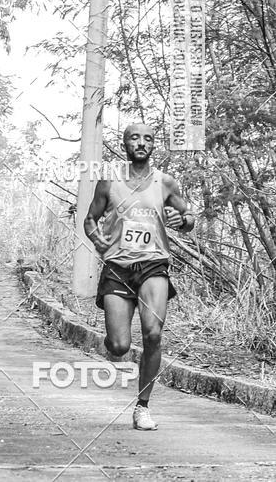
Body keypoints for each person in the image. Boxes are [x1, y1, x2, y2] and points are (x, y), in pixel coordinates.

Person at [83, 123, 195, 431]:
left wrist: (181, 219)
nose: (141, 143)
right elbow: (90, 219)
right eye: (135, 137)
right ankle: (114, 343)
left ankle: (142, 407)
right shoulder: (108, 181)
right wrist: (96, 238)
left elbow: (190, 218)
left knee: (153, 334)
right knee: (119, 346)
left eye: (147, 138)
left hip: (153, 264)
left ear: (153, 145)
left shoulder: (165, 183)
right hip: (118, 268)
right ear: (125, 144)